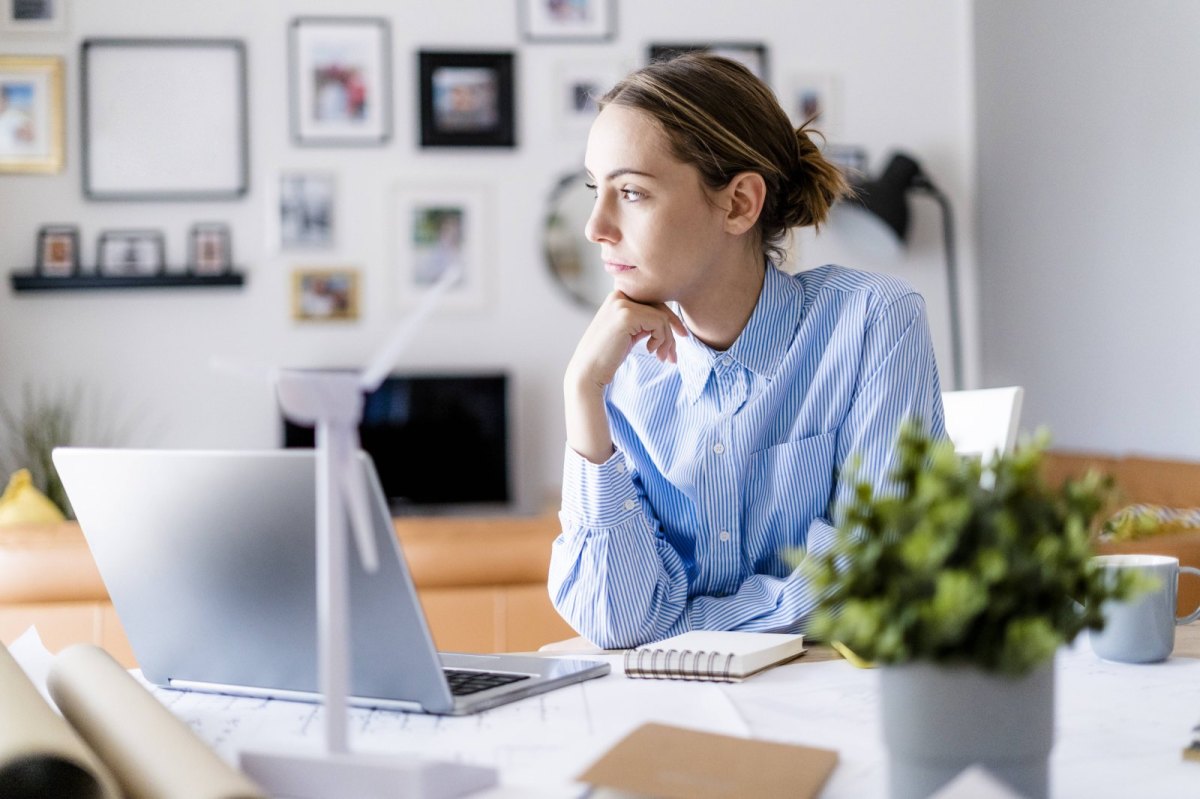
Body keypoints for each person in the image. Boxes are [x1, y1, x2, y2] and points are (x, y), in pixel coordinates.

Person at [548, 53, 946, 649]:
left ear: (738, 203)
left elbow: (879, 576)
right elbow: (617, 620)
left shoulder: (870, 323)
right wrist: (581, 396)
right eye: (594, 189)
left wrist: (681, 621)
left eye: (630, 191)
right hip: (680, 709)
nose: (595, 227)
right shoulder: (618, 373)